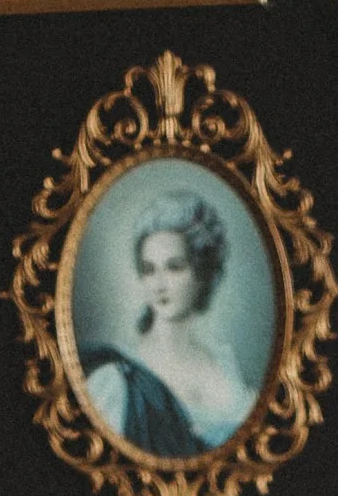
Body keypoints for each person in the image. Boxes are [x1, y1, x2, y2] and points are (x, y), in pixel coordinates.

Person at [79, 190, 253, 459]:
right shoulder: (120, 379)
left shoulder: (225, 364)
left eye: (174, 267)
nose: (159, 285)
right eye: (149, 270)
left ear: (201, 273)